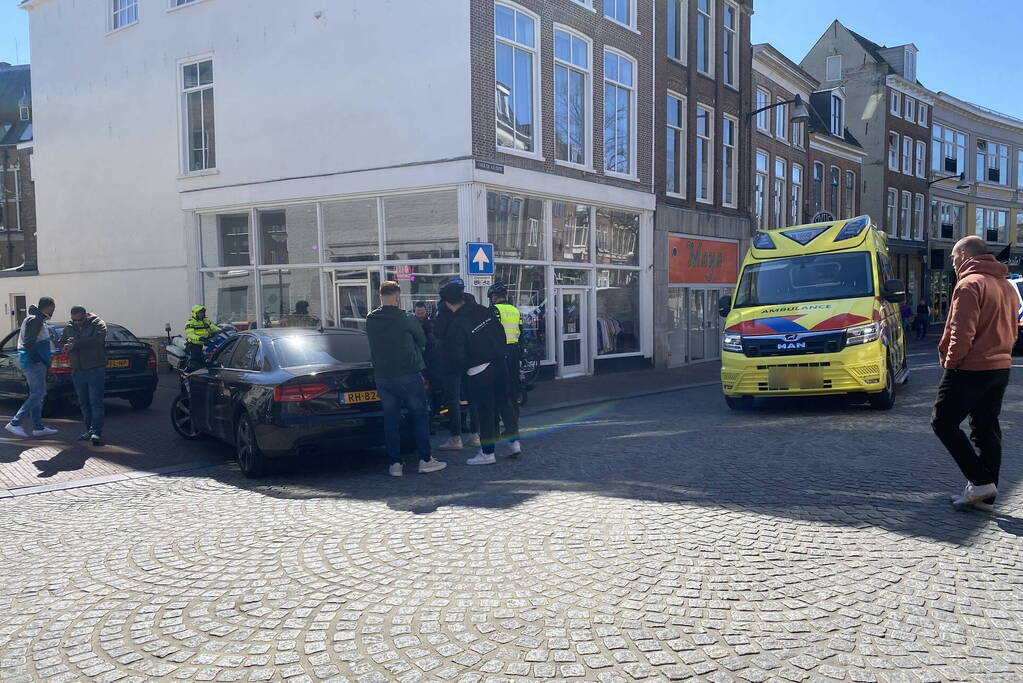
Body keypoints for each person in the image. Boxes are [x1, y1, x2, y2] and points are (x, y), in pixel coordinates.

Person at [931, 236, 1017, 512]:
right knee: (986, 428)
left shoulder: (969, 284)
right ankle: (987, 495)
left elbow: (962, 331)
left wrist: (951, 363)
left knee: (942, 422)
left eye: (954, 259)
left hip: (970, 367)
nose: (953, 265)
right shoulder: (1006, 286)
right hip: (1000, 367)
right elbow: (1012, 328)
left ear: (966, 255)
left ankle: (979, 482)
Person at [365, 281, 446, 477]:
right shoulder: (406, 318)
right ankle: (425, 460)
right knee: (419, 415)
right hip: (408, 373)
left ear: (380, 296)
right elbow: (422, 340)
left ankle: (395, 464)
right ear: (397, 297)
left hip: (383, 376)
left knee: (390, 419)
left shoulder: (370, 319)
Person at [437, 279, 509, 465]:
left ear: (449, 302)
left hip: (473, 367)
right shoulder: (480, 309)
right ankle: (502, 442)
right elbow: (499, 332)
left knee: (477, 407)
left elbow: (452, 348)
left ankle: (483, 451)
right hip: (494, 361)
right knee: (489, 405)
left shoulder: (454, 319)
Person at [433, 278, 480, 452]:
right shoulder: (473, 307)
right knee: (473, 397)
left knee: (452, 399)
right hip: (472, 357)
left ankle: (455, 438)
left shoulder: (444, 308)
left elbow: (438, 332)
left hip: (451, 358)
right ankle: (475, 435)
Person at [5, 296, 58, 438]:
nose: (53, 310)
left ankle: (38, 427)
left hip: (30, 362)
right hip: (34, 363)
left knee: (36, 394)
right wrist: (39, 360)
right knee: (39, 393)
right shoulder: (36, 320)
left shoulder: (32, 318)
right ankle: (15, 423)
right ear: (49, 307)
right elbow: (29, 342)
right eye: (53, 308)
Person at [59, 306, 108, 446]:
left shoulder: (98, 323)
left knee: (96, 401)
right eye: (74, 321)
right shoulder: (69, 327)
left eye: (80, 320)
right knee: (84, 402)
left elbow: (97, 340)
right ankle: (89, 430)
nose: (77, 323)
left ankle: (96, 432)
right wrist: (65, 345)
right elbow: (62, 341)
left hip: (95, 368)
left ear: (85, 315)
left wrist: (76, 344)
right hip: (77, 370)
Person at [488, 282, 523, 457]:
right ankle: (513, 427)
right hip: (514, 353)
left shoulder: (494, 311)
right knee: (511, 393)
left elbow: (491, 334)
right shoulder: (516, 310)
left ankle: (493, 433)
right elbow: (520, 332)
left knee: (497, 395)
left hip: (499, 355)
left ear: (494, 296)